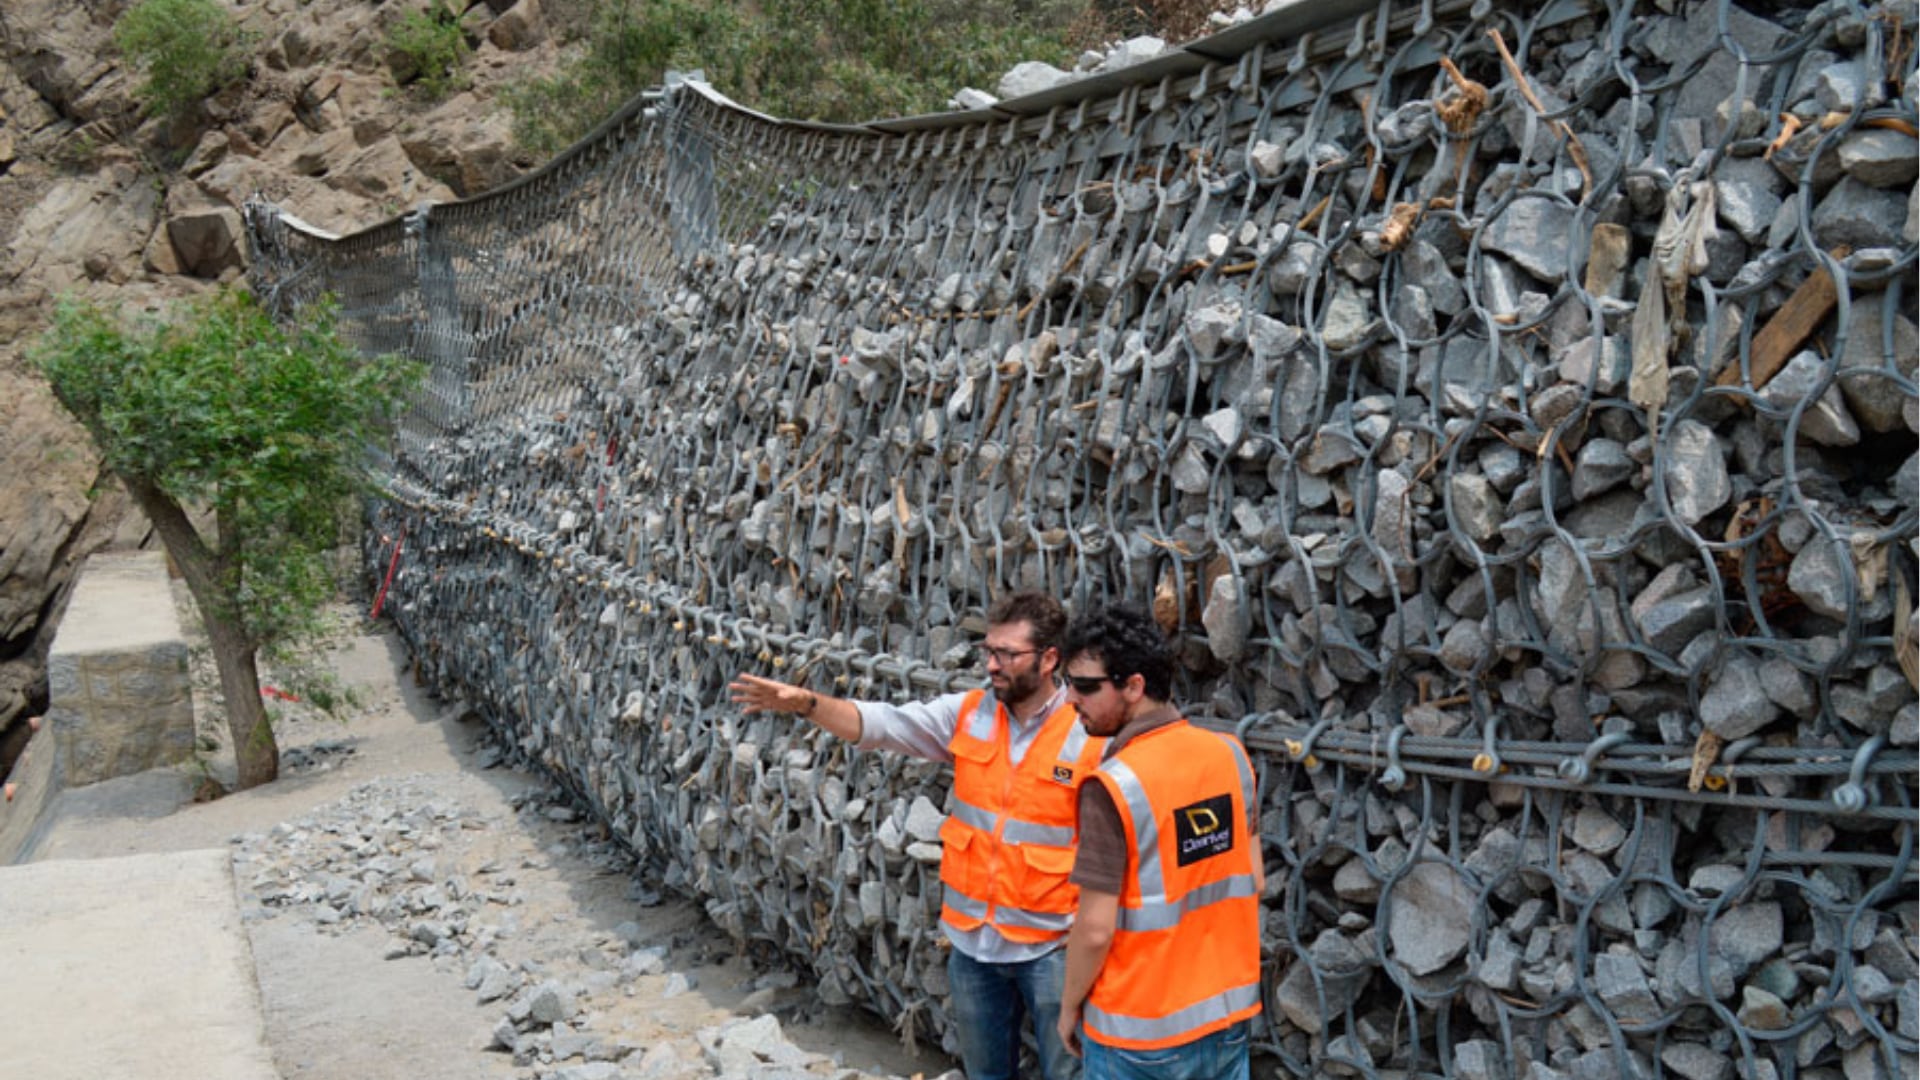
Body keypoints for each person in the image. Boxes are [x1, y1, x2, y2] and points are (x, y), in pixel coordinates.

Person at [729, 591, 1106, 1080]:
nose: (992, 665)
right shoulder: (970, 713)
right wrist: (807, 704)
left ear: (1049, 658)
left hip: (1053, 948)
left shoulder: (1088, 730)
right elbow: (882, 725)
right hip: (974, 946)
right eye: (988, 651)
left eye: (1007, 654)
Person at [1053, 604, 1264, 1080]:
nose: (1069, 699)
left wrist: (1068, 1008)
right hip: (1226, 1020)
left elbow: (1095, 929)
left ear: (1133, 686)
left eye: (1084, 686)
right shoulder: (1230, 756)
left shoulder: (1113, 786)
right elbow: (1254, 878)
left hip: (1138, 1034)